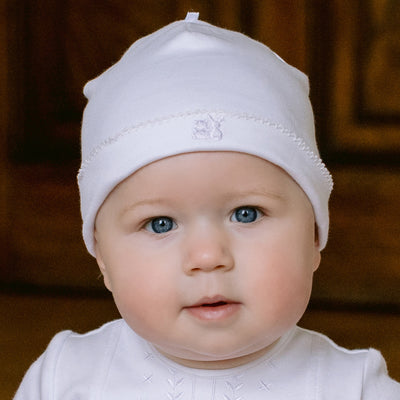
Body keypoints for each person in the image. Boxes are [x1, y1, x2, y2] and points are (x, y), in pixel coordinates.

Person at [14, 12, 400, 399]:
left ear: (314, 235)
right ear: (102, 257)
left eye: (246, 214)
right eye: (161, 223)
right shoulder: (65, 378)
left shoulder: (353, 388)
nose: (208, 256)